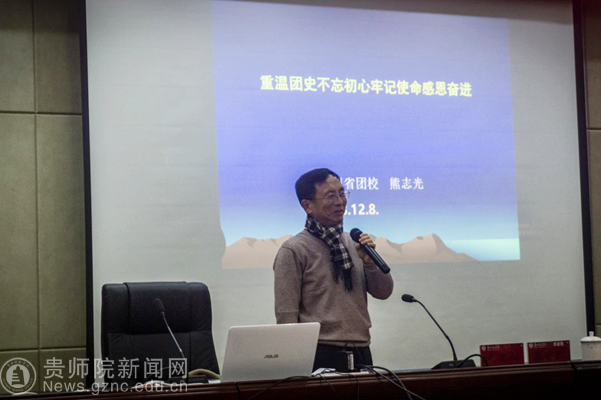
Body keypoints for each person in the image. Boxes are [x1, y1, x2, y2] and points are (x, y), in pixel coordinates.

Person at [273, 168, 394, 370]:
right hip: (318, 352)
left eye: (341, 193)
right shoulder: (294, 250)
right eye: (330, 196)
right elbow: (286, 315)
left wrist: (369, 263)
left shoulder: (355, 243)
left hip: (361, 349)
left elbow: (384, 292)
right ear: (307, 206)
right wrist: (292, 365)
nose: (340, 201)